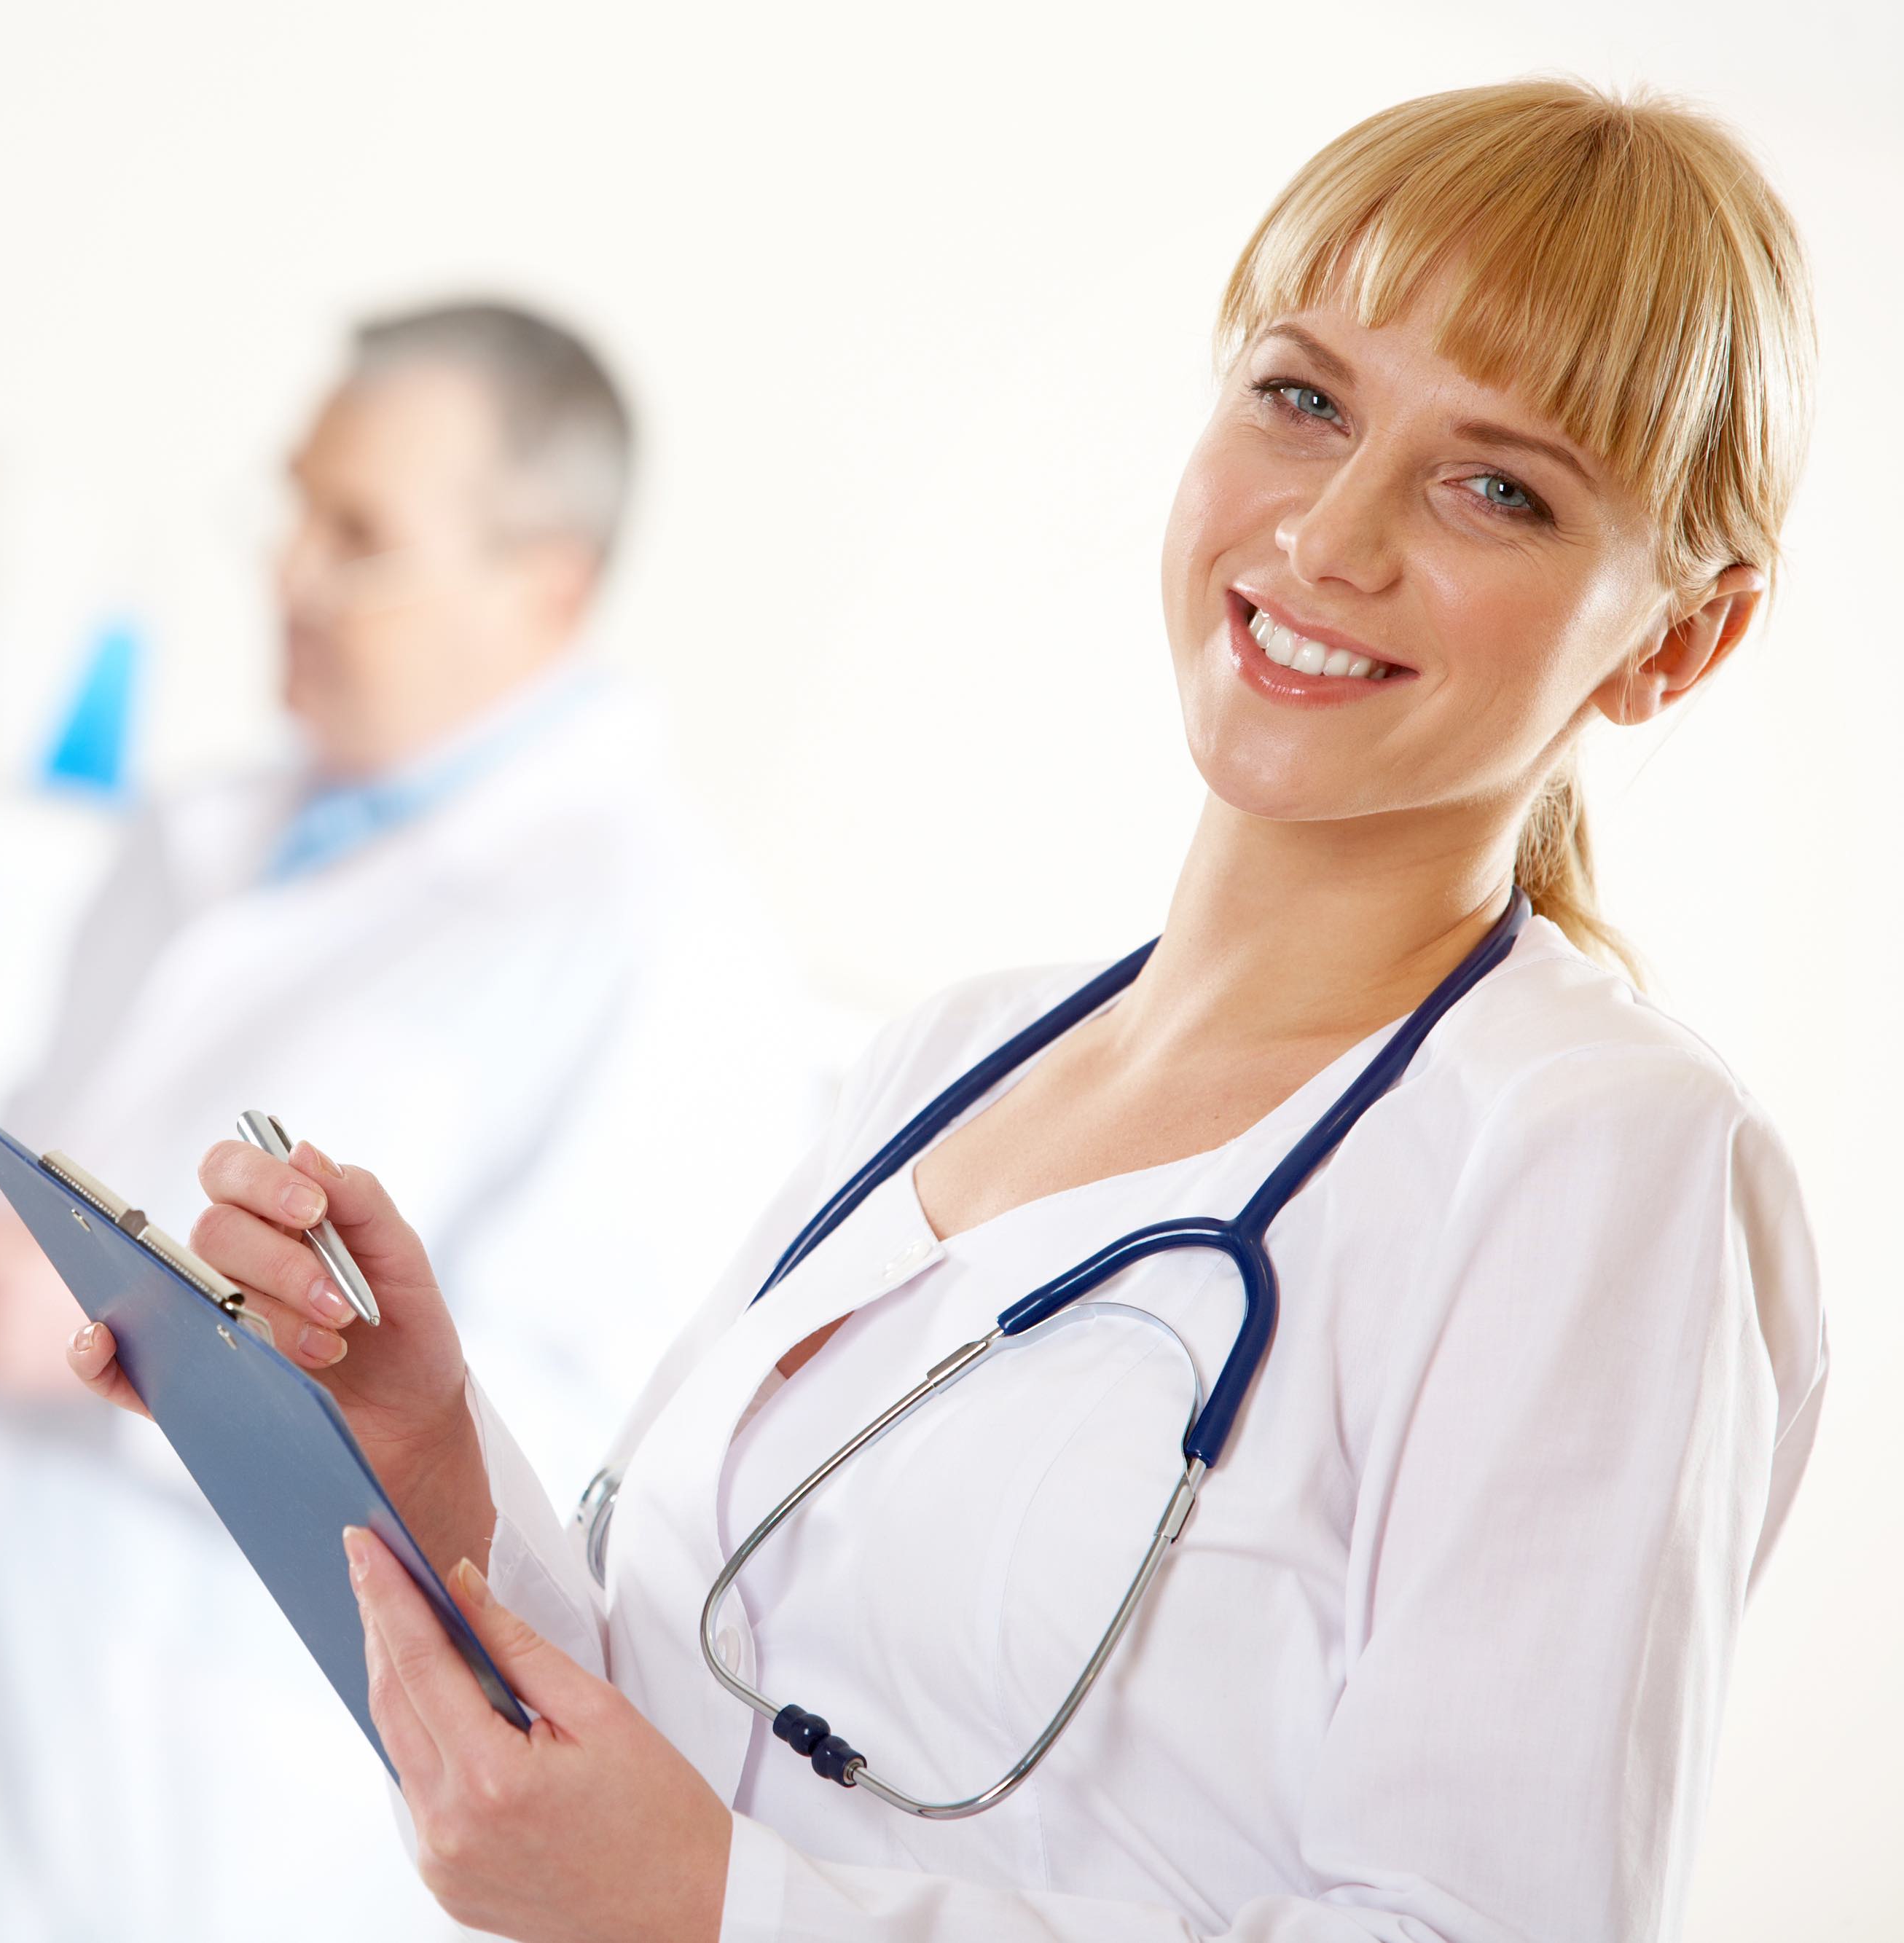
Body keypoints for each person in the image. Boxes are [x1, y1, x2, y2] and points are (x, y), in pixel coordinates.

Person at [94, 82, 1829, 1942]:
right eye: (1299, 396)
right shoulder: (959, 1053)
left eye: (1494, 485)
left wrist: (723, 1907)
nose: (1330, 536)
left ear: (1677, 637)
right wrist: (421, 1436)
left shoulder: (1593, 1159)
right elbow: (703, 1737)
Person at [0, 302, 828, 1942]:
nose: (287, 569)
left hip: (191, 1822)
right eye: (290, 506)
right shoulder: (201, 832)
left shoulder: (661, 947)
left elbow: (577, 1476)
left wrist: (144, 1342)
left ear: (545, 586)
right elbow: (40, 1230)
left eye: (355, 535)